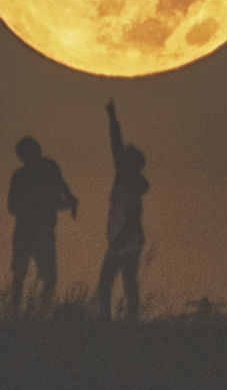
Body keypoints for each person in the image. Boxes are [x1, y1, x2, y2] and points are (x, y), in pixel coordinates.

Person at [8, 136, 78, 315]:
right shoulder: (47, 173)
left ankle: (27, 313)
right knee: (42, 277)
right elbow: (61, 194)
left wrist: (65, 202)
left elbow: (12, 207)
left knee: (22, 276)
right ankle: (38, 313)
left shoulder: (22, 176)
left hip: (27, 230)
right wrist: (65, 202)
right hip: (40, 232)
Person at [96, 98, 149, 320]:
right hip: (127, 242)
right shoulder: (125, 181)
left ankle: (119, 324)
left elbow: (132, 219)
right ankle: (126, 323)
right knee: (125, 285)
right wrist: (113, 120)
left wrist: (118, 243)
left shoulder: (130, 188)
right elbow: (116, 149)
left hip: (125, 242)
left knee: (111, 285)